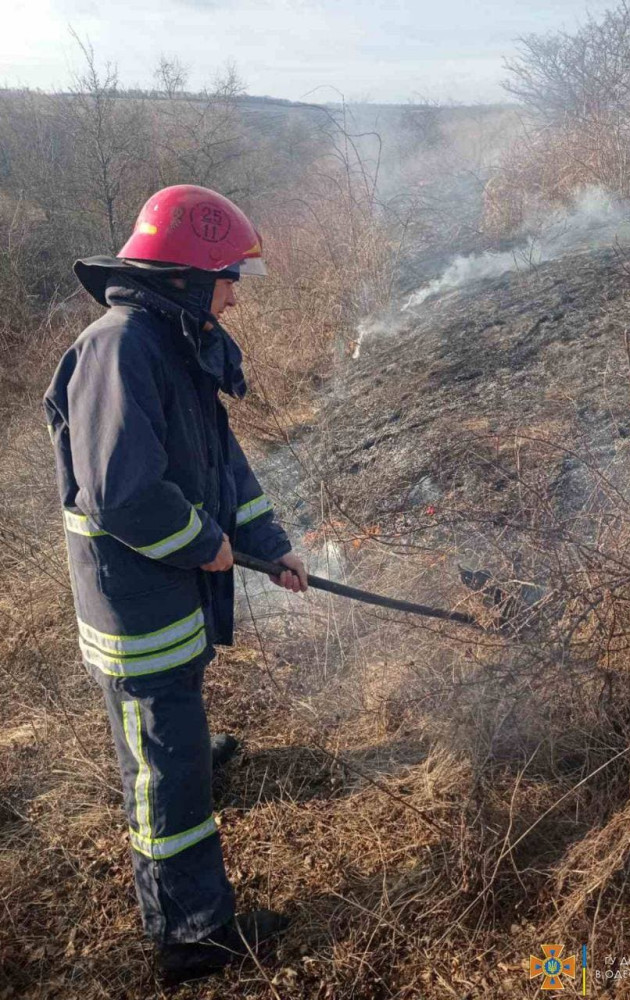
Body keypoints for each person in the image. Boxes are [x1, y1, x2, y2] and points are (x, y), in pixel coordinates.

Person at [43, 184, 309, 985]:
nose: (237, 294)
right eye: (229, 277)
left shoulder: (174, 339)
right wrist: (204, 544)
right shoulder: (119, 350)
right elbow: (123, 494)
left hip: (166, 597)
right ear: (190, 277)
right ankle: (192, 936)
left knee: (177, 724)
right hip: (134, 609)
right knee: (164, 775)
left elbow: (222, 464)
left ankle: (187, 753)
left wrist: (270, 546)